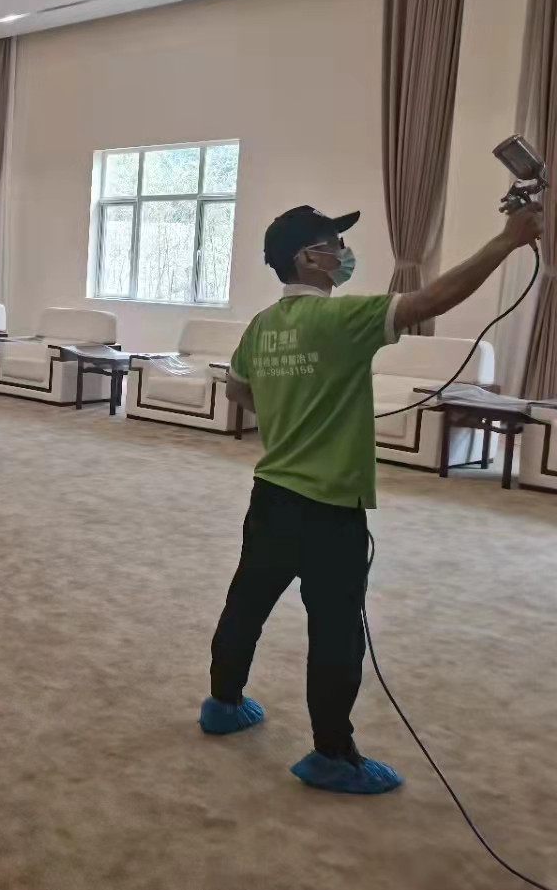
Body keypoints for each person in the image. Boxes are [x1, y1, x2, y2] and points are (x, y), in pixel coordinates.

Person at [201, 201, 543, 795]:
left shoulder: (261, 326)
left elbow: (238, 391)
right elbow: (431, 301)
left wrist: (289, 417)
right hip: (330, 507)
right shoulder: (343, 319)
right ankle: (333, 757)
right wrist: (508, 240)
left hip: (272, 495)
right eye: (335, 244)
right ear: (309, 259)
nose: (344, 254)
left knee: (247, 603)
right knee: (335, 630)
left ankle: (223, 705)